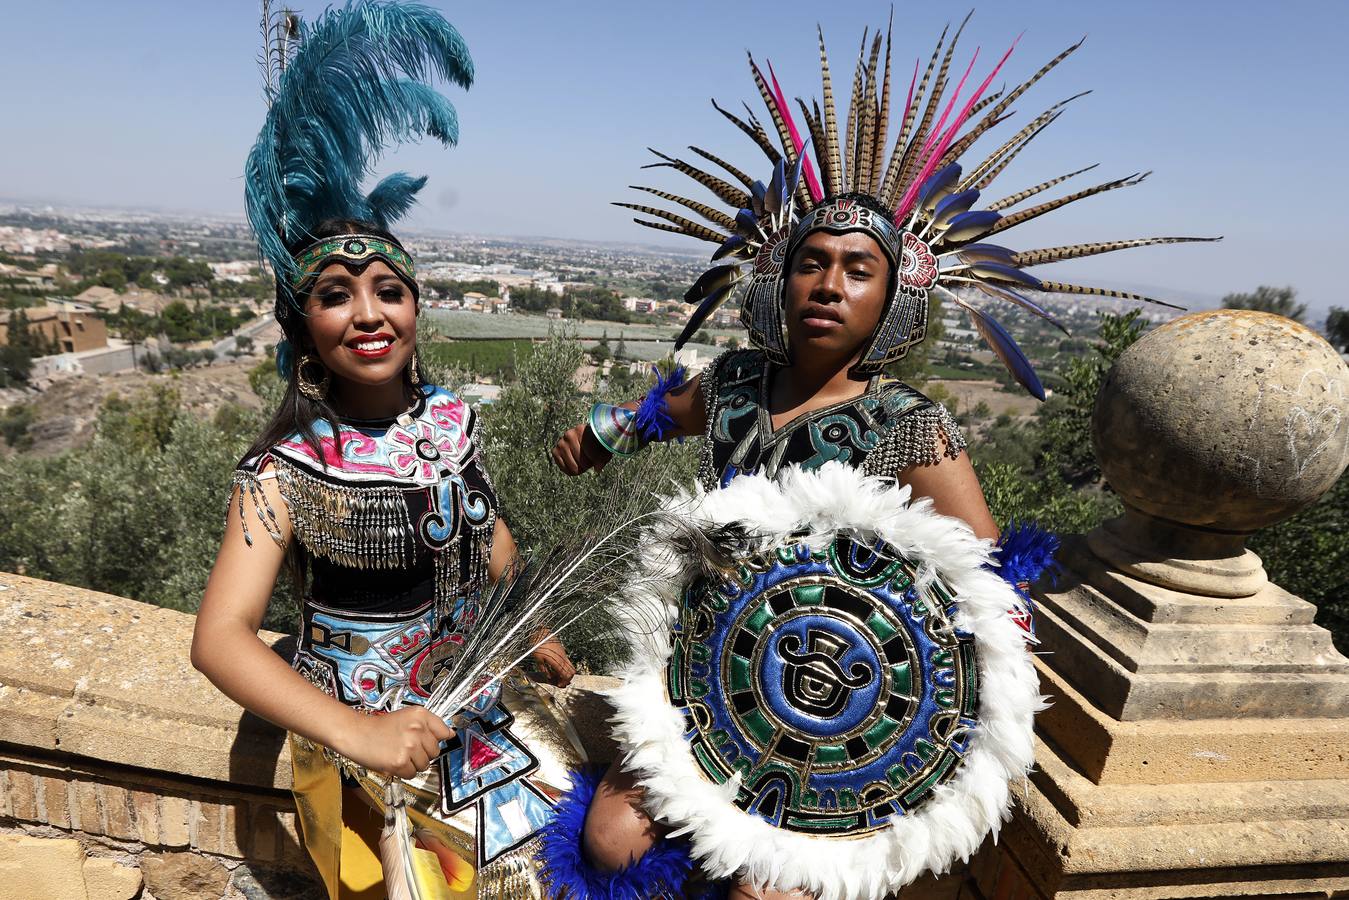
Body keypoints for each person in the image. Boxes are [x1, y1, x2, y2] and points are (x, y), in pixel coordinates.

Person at [545, 15, 1210, 900]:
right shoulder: (735, 380)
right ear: (778, 281)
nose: (828, 284)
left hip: (827, 687)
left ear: (891, 297)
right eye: (810, 263)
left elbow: (984, 578)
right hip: (703, 664)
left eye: (857, 269)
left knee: (763, 892)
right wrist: (598, 434)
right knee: (611, 840)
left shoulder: (905, 424)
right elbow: (657, 412)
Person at [192, 6, 579, 898]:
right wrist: (355, 732)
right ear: (305, 327)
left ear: (415, 307)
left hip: (474, 712)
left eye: (387, 289)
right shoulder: (285, 470)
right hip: (365, 752)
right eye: (335, 295)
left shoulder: (450, 419)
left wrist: (530, 625)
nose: (367, 313)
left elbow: (486, 532)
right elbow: (220, 640)